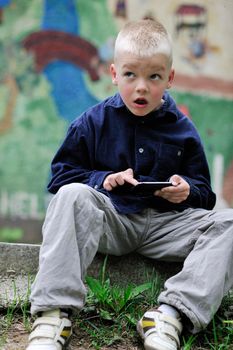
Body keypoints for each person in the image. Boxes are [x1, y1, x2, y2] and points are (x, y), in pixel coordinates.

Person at [26, 19, 233, 350]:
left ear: (170, 78)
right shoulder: (92, 121)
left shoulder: (183, 129)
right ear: (113, 74)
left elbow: (205, 197)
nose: (141, 87)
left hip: (166, 227)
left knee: (230, 221)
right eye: (130, 75)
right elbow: (61, 175)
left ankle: (169, 315)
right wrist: (102, 179)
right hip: (113, 221)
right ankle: (53, 314)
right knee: (72, 194)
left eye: (154, 76)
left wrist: (186, 190)